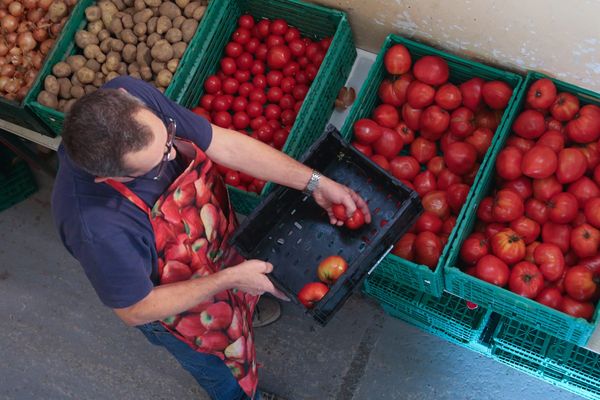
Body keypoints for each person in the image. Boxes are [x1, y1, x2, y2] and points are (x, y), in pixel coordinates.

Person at [51, 76, 370, 400]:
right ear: (108, 178)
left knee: (241, 298)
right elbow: (136, 308)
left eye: (169, 139)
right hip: (178, 310)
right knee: (220, 372)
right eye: (158, 162)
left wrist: (314, 183)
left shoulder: (129, 103)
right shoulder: (95, 226)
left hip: (215, 248)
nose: (173, 155)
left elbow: (224, 143)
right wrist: (228, 279)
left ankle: (243, 310)